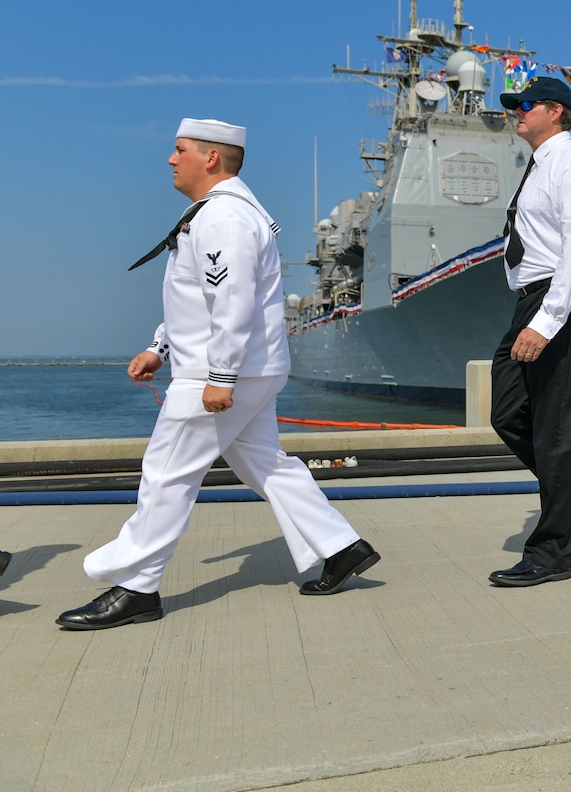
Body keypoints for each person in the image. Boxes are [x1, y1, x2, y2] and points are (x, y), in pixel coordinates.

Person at [58, 119, 378, 631]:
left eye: (179, 149)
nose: (170, 158)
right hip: (242, 367)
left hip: (224, 369)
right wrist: (159, 347)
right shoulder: (217, 214)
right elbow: (198, 301)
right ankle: (340, 547)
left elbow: (231, 303)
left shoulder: (224, 219)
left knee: (166, 474)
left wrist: (221, 377)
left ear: (210, 158)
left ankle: (138, 585)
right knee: (265, 464)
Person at [489, 76, 571, 587]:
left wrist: (548, 320)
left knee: (554, 431)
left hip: (559, 303)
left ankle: (551, 553)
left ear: (555, 110)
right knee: (508, 414)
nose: (515, 114)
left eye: (523, 106)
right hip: (532, 302)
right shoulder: (540, 166)